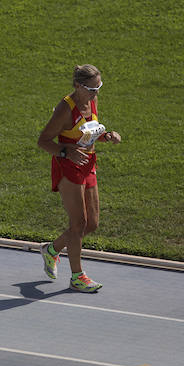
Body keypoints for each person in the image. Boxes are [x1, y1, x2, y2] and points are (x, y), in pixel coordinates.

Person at [36, 64, 121, 292]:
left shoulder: (91, 100)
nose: (96, 93)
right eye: (92, 89)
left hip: (88, 163)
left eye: (99, 88)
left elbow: (88, 133)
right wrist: (66, 152)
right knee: (78, 224)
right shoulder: (65, 109)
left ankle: (52, 250)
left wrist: (106, 136)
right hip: (68, 166)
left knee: (91, 224)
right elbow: (43, 141)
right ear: (77, 86)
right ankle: (77, 277)